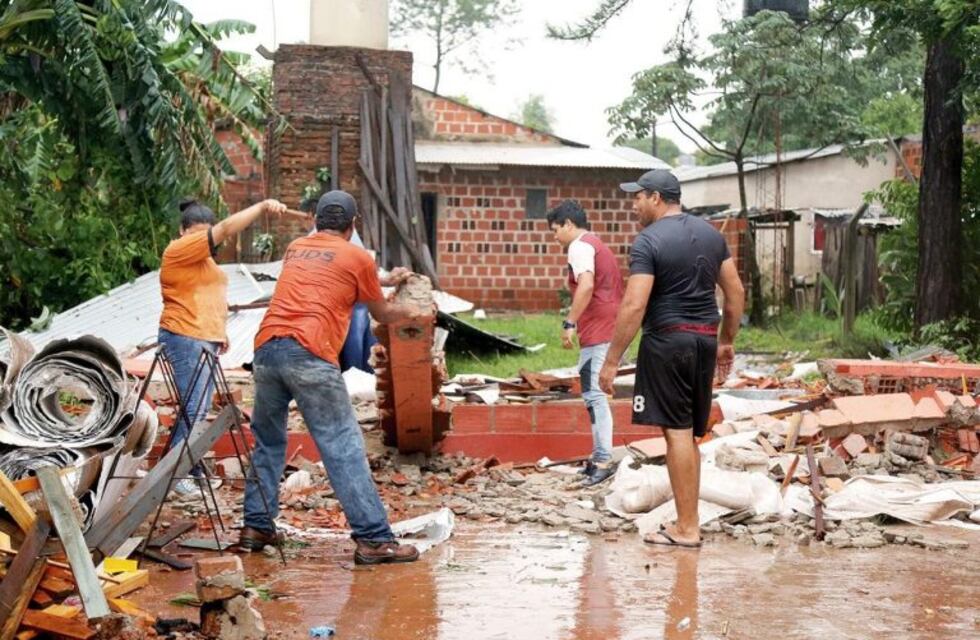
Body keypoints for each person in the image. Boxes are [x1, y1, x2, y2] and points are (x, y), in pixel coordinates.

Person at [240, 190, 421, 565]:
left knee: (268, 442)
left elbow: (334, 279)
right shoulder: (357, 256)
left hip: (267, 349)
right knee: (342, 445)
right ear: (354, 224)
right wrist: (414, 309)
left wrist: (386, 279)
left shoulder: (296, 249)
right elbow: (381, 313)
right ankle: (373, 539)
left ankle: (256, 525)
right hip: (309, 351)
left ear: (315, 221)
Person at [598, 169, 744, 548]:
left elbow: (634, 304)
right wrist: (726, 341)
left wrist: (612, 360)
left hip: (668, 342)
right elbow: (735, 292)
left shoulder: (649, 241)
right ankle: (688, 521)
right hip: (703, 343)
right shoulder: (713, 235)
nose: (634, 205)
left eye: (639, 197)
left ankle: (687, 528)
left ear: (658, 198)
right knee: (688, 436)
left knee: (676, 434)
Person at [159, 198, 286, 496]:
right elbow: (227, 228)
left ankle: (184, 465)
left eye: (204, 234)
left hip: (204, 338)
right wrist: (262, 206)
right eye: (197, 233)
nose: (202, 240)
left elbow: (209, 296)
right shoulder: (178, 251)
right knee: (195, 408)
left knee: (198, 408)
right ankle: (178, 473)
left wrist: (220, 332)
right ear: (182, 231)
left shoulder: (206, 262)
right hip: (184, 335)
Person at [546, 200, 624, 486]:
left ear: (568, 224)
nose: (555, 237)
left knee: (594, 394)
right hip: (608, 324)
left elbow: (587, 285)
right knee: (595, 394)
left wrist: (569, 322)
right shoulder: (595, 243)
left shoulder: (579, 246)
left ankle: (603, 460)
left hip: (600, 328)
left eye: (555, 230)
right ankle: (598, 458)